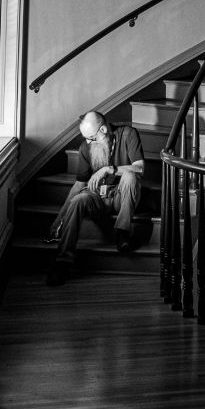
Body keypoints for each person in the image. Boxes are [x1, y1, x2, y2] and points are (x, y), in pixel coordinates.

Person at [45, 111, 145, 286]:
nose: (88, 142)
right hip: (97, 196)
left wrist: (108, 169)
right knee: (78, 200)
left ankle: (122, 232)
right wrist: (59, 218)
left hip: (122, 196)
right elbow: (79, 184)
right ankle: (63, 261)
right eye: (86, 138)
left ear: (103, 130)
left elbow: (140, 169)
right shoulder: (86, 146)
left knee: (130, 176)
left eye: (91, 138)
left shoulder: (128, 134)